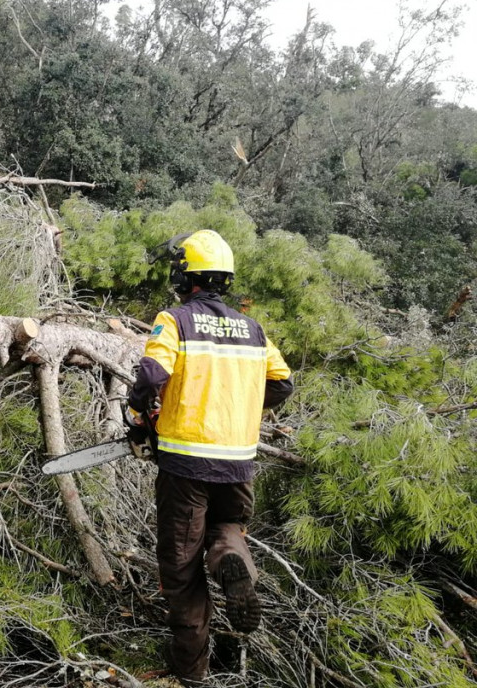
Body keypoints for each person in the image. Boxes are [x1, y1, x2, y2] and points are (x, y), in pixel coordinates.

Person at [123, 229, 293, 686]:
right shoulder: (252, 328)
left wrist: (140, 418)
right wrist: (233, 405)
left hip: (185, 465)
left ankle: (190, 673)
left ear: (185, 274)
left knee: (181, 570)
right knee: (227, 530)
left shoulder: (175, 320)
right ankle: (232, 565)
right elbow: (282, 383)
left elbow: (151, 375)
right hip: (237, 462)